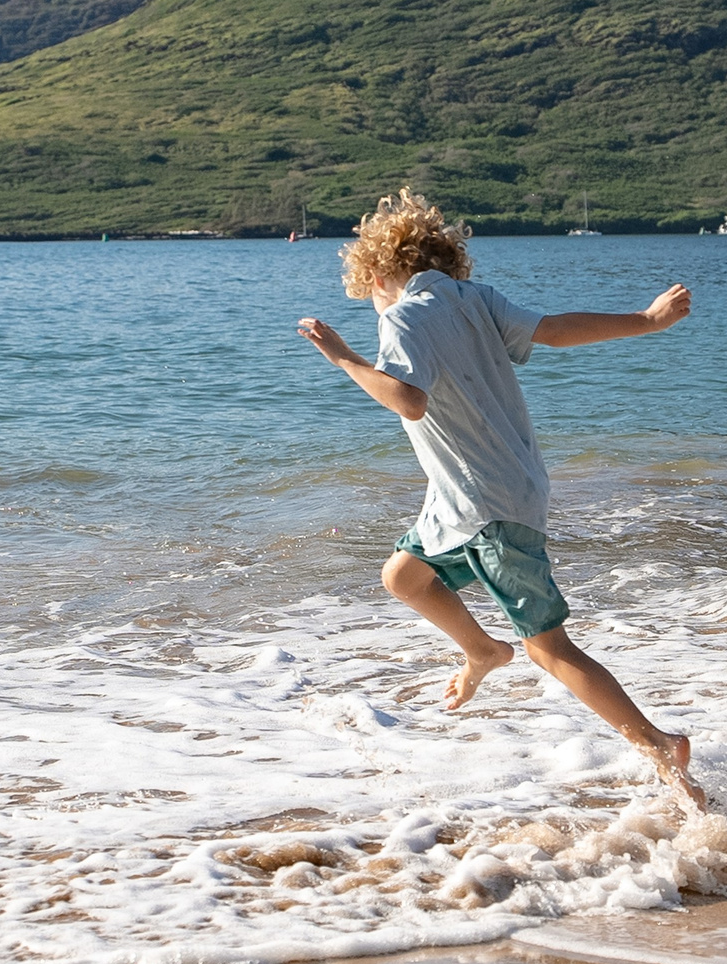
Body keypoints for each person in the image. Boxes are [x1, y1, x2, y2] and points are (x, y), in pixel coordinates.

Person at [298, 187, 705, 807]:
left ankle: (655, 743)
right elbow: (558, 331)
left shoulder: (403, 317)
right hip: (483, 491)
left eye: (369, 293)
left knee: (548, 646)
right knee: (404, 576)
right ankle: (483, 650)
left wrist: (344, 358)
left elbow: (409, 399)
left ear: (378, 275)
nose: (372, 303)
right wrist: (645, 321)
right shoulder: (475, 300)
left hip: (484, 501)